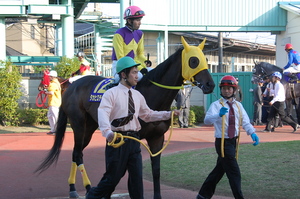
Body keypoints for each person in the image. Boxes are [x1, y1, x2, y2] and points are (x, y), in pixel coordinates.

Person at [86, 56, 180, 199]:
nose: (138, 76)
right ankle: (92, 196)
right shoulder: (111, 94)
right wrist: (107, 132)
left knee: (137, 179)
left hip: (134, 141)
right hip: (117, 141)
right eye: (134, 73)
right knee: (112, 179)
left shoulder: (137, 95)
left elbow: (147, 115)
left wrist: (169, 114)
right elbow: (103, 112)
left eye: (137, 72)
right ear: (124, 75)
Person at [196, 75, 259, 199]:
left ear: (234, 90)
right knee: (234, 172)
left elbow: (245, 121)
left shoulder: (238, 106)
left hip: (233, 142)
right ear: (221, 90)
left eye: (229, 88)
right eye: (224, 88)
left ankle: (203, 195)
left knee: (219, 171)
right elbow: (207, 120)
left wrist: (252, 133)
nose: (226, 91)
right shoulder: (216, 105)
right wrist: (218, 115)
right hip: (222, 142)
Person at [111, 5, 147, 83]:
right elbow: (121, 57)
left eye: (140, 20)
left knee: (152, 73)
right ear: (129, 21)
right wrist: (139, 68)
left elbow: (140, 54)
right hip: (120, 65)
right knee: (138, 76)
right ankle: (112, 89)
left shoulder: (140, 33)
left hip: (134, 64)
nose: (139, 23)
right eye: (137, 20)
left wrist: (146, 62)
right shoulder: (119, 34)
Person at [44, 70, 61, 135]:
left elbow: (51, 92)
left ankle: (55, 130)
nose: (49, 77)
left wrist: (45, 92)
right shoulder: (56, 83)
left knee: (54, 116)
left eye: (50, 76)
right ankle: (53, 129)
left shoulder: (53, 84)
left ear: (52, 77)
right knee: (50, 116)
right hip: (54, 102)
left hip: (54, 102)